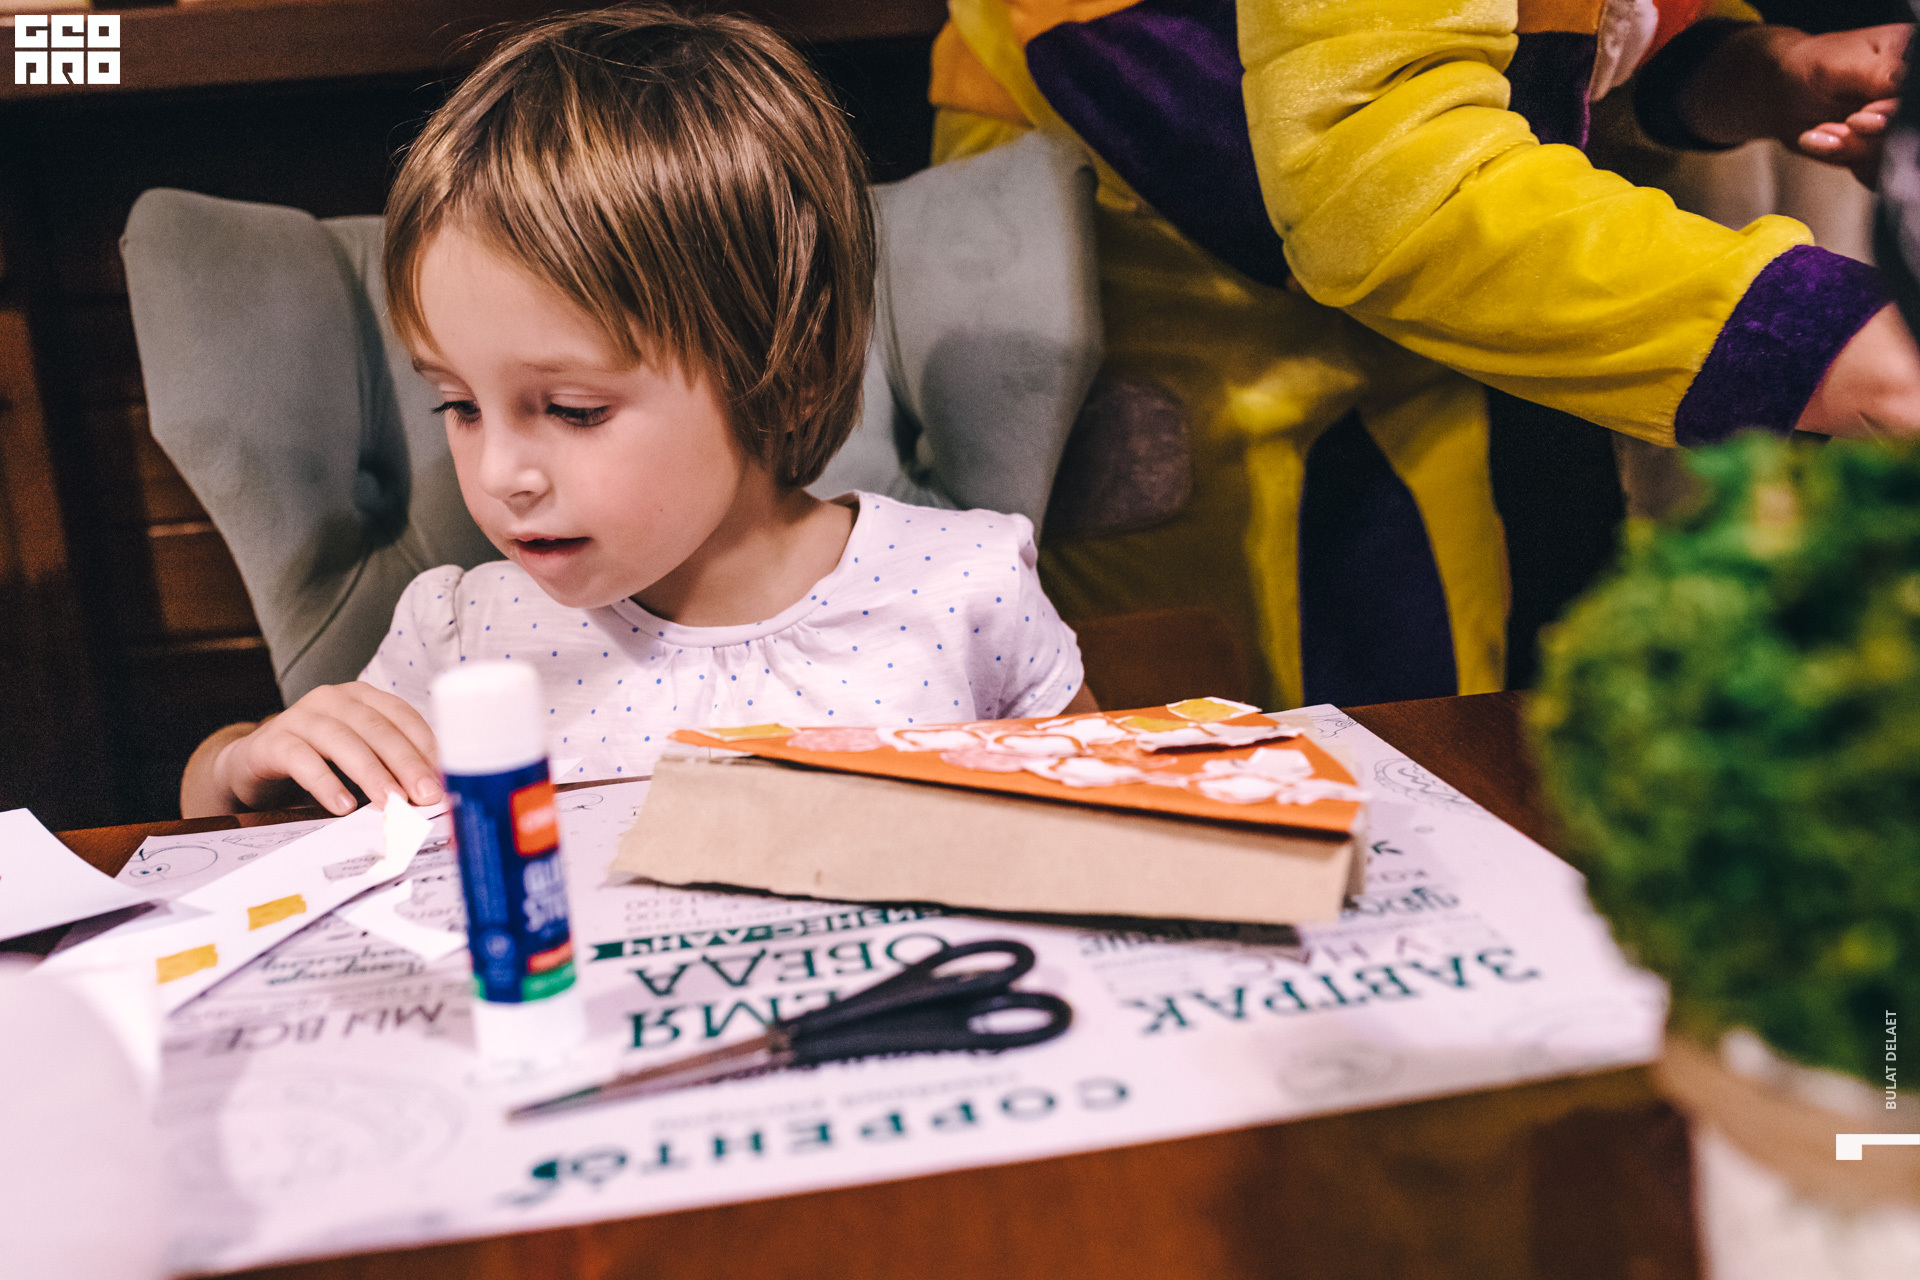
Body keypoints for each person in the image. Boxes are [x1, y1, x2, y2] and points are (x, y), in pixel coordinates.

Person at [179, 7, 1091, 820]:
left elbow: (1111, 824)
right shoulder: (461, 636)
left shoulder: (965, 591)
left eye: (573, 410)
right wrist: (237, 763)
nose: (498, 475)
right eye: (458, 405)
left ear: (792, 373)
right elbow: (217, 816)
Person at [929, 1, 1920, 710]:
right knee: (1178, 736)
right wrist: (1836, 342)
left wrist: (1754, 71)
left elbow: (1523, 45)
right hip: (1136, 212)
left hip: (1405, 288)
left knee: (1425, 689)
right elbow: (1380, 172)